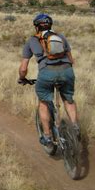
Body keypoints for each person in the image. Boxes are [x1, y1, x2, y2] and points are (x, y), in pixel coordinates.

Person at [18, 13, 79, 146]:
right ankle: (75, 127)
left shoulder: (32, 41)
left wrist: (22, 78)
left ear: (36, 27)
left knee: (44, 103)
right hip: (67, 71)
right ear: (50, 25)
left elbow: (23, 68)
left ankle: (47, 136)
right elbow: (71, 60)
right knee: (68, 100)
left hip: (47, 73)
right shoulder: (61, 37)